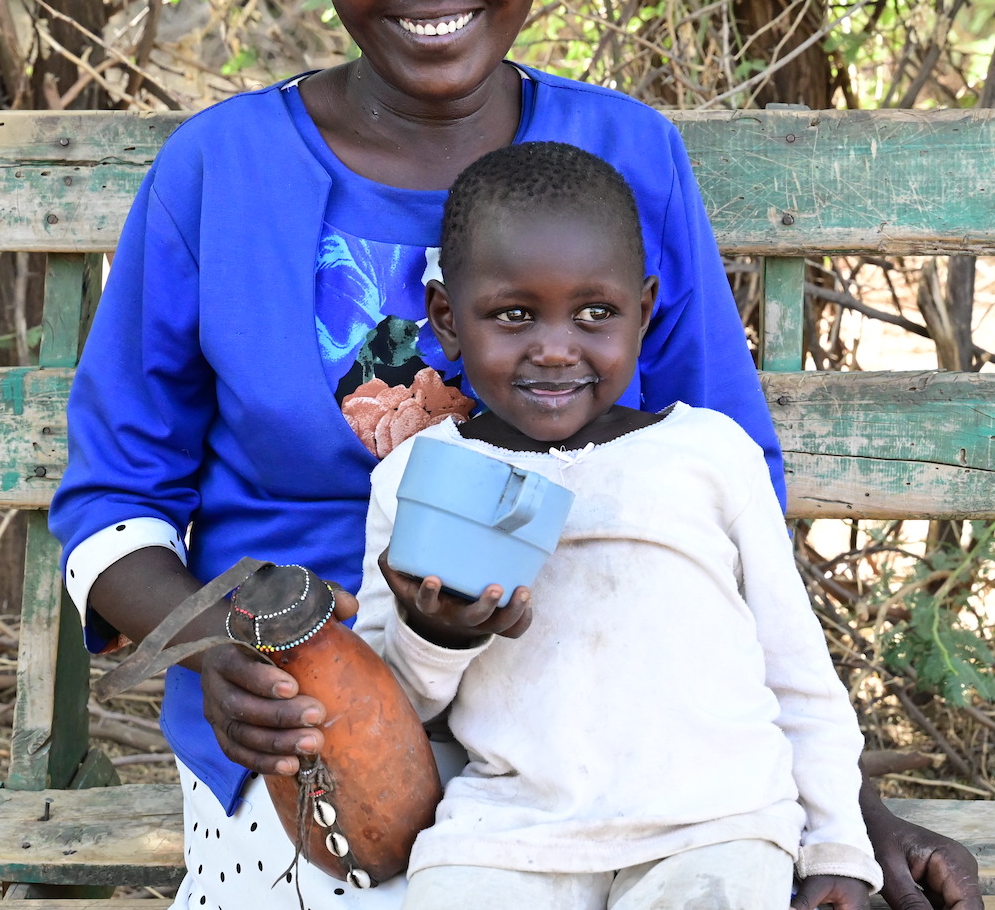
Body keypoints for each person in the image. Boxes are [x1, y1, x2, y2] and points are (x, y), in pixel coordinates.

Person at [48, 0, 982, 910]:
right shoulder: (217, 173)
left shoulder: (621, 153)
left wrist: (843, 816)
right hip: (307, 729)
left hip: (617, 737)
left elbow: (723, 487)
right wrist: (212, 642)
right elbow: (110, 500)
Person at [357, 141, 880, 910]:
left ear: (646, 308)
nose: (557, 347)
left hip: (713, 825)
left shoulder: (705, 453)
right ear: (446, 320)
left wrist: (838, 847)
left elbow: (798, 675)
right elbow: (391, 712)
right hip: (507, 833)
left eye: (596, 312)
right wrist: (437, 633)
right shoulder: (419, 479)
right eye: (514, 315)